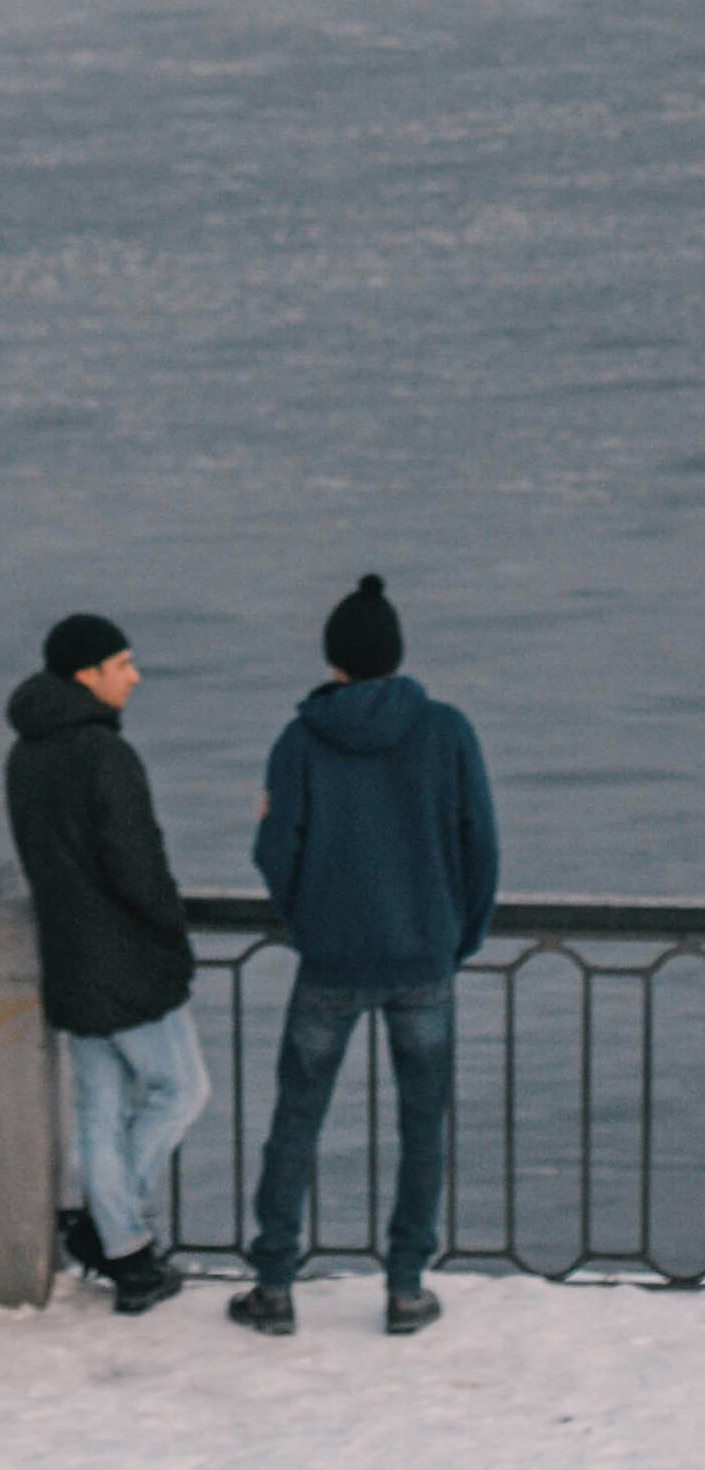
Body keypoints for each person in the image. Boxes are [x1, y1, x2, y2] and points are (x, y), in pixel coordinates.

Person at [228, 572, 500, 1343]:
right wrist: (459, 938)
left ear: (334, 658)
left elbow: (275, 849)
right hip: (423, 959)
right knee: (422, 1125)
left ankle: (275, 1283)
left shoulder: (302, 739)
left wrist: (305, 920)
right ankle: (407, 1286)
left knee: (297, 1120)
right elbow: (482, 847)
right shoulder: (448, 731)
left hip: (332, 962)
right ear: (396, 653)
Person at [3, 613, 209, 1315]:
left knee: (98, 1106)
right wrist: (170, 929)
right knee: (180, 1092)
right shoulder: (103, 755)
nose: (135, 675)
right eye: (122, 664)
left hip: (67, 952)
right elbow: (137, 863)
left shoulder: (25, 754)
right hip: (125, 955)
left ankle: (122, 1250)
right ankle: (114, 1235)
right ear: (86, 675)